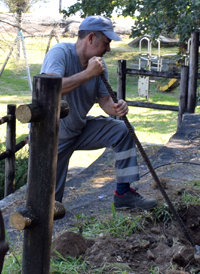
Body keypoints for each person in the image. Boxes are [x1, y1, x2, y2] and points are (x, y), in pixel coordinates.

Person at [39, 15, 158, 210]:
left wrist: (117, 107)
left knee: (122, 130)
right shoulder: (60, 53)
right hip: (52, 137)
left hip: (78, 130)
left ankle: (124, 195)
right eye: (106, 42)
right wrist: (88, 74)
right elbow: (49, 88)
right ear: (91, 38)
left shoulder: (98, 66)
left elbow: (105, 100)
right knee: (50, 206)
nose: (109, 48)